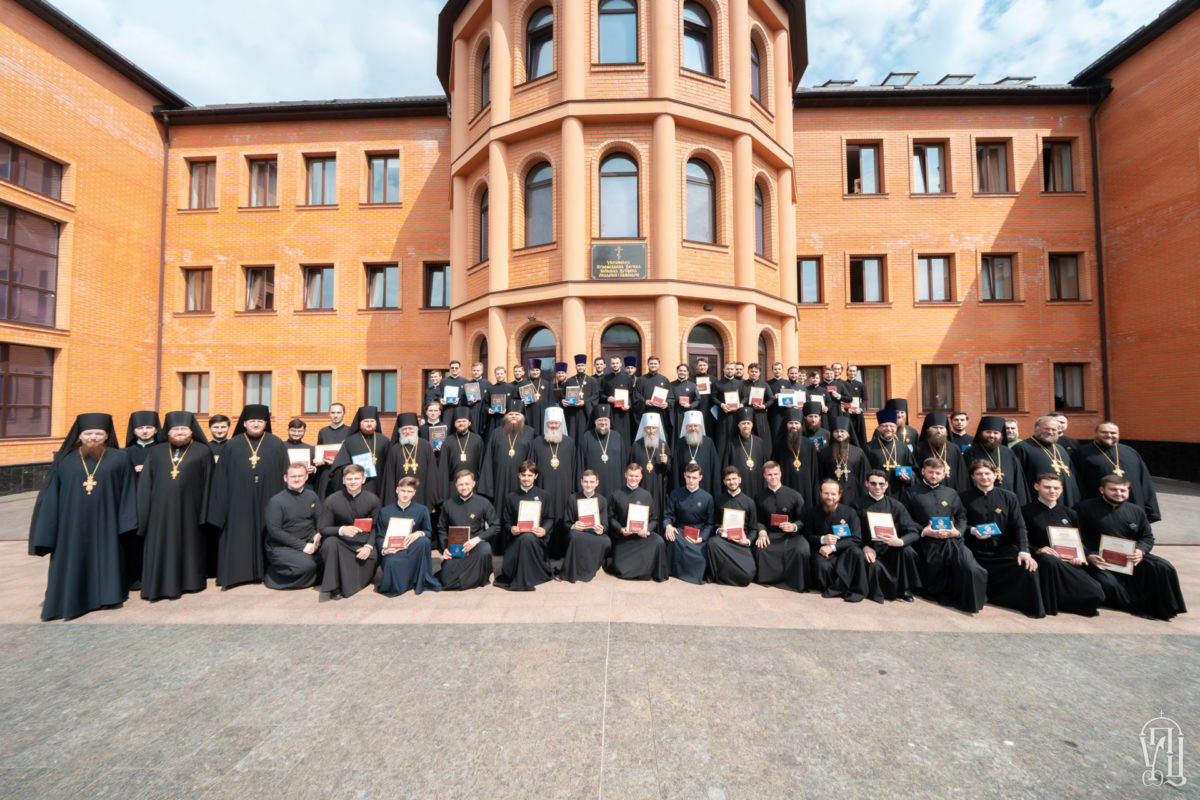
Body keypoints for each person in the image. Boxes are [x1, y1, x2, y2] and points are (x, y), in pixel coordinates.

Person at [29, 413, 136, 621]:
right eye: (88, 434)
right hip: (71, 525)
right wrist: (49, 527)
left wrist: (127, 521)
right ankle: (72, 599)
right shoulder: (65, 461)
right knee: (73, 561)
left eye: (98, 434)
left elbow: (128, 491)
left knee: (107, 558)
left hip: (107, 522)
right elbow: (52, 496)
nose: (93, 437)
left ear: (107, 435)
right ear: (79, 435)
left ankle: (106, 597)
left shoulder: (120, 458)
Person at [1079, 475, 1186, 621]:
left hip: (1130, 558)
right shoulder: (1083, 508)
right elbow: (1074, 537)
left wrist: (1140, 551)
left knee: (1163, 567)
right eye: (1113, 490)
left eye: (1123, 490)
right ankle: (1139, 607)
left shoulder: (1137, 511)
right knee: (1108, 584)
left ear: (1128, 492)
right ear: (1102, 490)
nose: (1119, 493)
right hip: (1099, 560)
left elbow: (1147, 537)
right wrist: (1088, 555)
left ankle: (1167, 608)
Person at [206, 404, 288, 588]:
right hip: (237, 501)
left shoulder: (276, 443)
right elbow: (221, 478)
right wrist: (221, 507)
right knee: (239, 535)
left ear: (266, 423)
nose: (256, 424)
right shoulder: (232, 445)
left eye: (260, 421)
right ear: (244, 423)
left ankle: (267, 572)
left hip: (269, 497)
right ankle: (239, 574)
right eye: (252, 421)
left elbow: (285, 475)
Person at [137, 411, 213, 600]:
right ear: (168, 432)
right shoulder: (156, 451)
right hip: (160, 511)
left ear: (191, 431)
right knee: (161, 546)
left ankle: (190, 583)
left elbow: (210, 483)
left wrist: (205, 512)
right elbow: (146, 483)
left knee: (190, 545)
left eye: (183, 429)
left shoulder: (203, 451)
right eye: (175, 429)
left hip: (191, 510)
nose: (180, 432)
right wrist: (145, 511)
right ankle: (159, 584)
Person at [960, 460, 1044, 618]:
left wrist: (1024, 551)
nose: (984, 477)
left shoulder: (1009, 497)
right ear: (973, 476)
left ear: (995, 475)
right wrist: (972, 530)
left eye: (987, 473)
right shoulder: (963, 497)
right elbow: (960, 523)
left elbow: (1019, 526)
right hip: (975, 550)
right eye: (979, 474)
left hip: (1002, 549)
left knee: (1027, 567)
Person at [905, 459, 987, 613]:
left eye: (938, 473)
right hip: (925, 542)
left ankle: (971, 601)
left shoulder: (952, 493)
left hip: (951, 541)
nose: (934, 476)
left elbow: (962, 517)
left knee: (971, 568)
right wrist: (924, 531)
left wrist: (957, 532)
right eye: (930, 472)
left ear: (944, 475)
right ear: (923, 471)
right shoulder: (911, 492)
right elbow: (905, 518)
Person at [1021, 473, 1106, 617]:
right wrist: (1037, 550)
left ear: (1061, 490)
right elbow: (1019, 540)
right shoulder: (1025, 511)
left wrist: (1084, 556)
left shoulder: (1070, 513)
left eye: (1056, 488)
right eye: (1047, 487)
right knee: (1050, 561)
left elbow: (1079, 542)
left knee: (1096, 592)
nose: (1052, 491)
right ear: (1037, 487)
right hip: (1042, 561)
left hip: (1068, 563)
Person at [852, 470, 922, 602]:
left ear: (887, 485)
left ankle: (905, 589)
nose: (877, 487)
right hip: (870, 549)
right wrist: (864, 547)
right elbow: (854, 532)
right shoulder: (857, 505)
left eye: (881, 484)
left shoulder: (897, 506)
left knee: (908, 551)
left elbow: (913, 531)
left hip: (892, 548)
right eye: (873, 483)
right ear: (866, 484)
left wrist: (900, 541)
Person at [1073, 422, 1161, 522]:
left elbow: (1145, 480)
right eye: (1104, 432)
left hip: (1133, 504)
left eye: (1113, 433)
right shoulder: (1082, 453)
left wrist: (1150, 506)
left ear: (1118, 434)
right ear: (1096, 433)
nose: (1109, 435)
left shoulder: (1130, 452)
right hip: (1098, 507)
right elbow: (1077, 482)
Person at [317, 463, 380, 599]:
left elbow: (376, 527)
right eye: (349, 479)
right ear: (343, 480)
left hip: (364, 544)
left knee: (372, 558)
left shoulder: (373, 500)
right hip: (342, 542)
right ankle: (334, 588)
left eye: (356, 478)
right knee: (330, 543)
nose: (353, 482)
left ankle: (352, 582)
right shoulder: (331, 500)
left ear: (363, 479)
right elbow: (323, 528)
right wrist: (341, 530)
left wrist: (368, 546)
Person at [376, 476, 441, 596]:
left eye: (409, 491)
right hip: (393, 550)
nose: (405, 494)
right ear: (397, 490)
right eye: (403, 491)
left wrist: (419, 533)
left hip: (412, 549)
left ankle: (419, 581)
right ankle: (402, 583)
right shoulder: (384, 512)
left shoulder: (422, 510)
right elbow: (380, 536)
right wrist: (385, 550)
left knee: (424, 541)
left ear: (414, 493)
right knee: (392, 562)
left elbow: (428, 532)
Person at [803, 479, 867, 602]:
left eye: (833, 494)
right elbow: (807, 535)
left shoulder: (850, 512)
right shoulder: (812, 512)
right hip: (821, 551)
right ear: (820, 493)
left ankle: (842, 589)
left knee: (856, 552)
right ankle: (840, 589)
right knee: (822, 567)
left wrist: (833, 547)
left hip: (844, 551)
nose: (829, 497)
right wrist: (822, 539)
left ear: (839, 495)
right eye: (826, 493)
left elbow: (856, 538)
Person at [495, 461, 555, 590]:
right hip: (516, 539)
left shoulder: (544, 495)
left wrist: (544, 530)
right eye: (523, 475)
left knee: (527, 538)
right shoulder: (510, 497)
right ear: (518, 475)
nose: (526, 478)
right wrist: (511, 528)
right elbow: (505, 521)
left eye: (529, 475)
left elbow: (550, 518)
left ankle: (526, 577)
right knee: (525, 538)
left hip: (536, 539)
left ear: (535, 476)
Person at [263, 462, 322, 590]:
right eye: (293, 476)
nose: (296, 479)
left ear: (306, 477)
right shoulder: (276, 501)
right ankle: (274, 577)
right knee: (307, 566)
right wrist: (302, 546)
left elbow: (319, 518)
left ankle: (313, 575)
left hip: (309, 541)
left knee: (330, 556)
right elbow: (275, 531)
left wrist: (318, 534)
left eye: (300, 476)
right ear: (286, 478)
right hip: (282, 546)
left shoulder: (312, 496)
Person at [437, 469, 499, 590]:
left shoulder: (483, 503)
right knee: (445, 580)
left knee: (485, 549)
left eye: (467, 484)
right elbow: (441, 528)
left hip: (476, 545)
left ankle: (471, 577)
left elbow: (495, 526)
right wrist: (445, 548)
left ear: (473, 484)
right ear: (456, 485)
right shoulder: (448, 504)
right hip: (456, 547)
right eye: (460, 484)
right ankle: (468, 577)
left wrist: (478, 539)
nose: (464, 487)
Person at [753, 461, 810, 592]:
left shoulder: (795, 495)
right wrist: (762, 533)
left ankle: (796, 582)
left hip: (792, 535)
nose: (773, 477)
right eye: (770, 475)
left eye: (776, 474)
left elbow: (803, 520)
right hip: (770, 534)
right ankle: (769, 580)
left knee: (802, 549)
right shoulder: (759, 496)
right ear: (764, 476)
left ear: (781, 474)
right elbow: (759, 520)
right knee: (761, 549)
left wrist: (794, 526)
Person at [607, 462, 668, 581]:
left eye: (636, 476)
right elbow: (611, 518)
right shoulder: (616, 494)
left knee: (659, 541)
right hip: (624, 537)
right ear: (625, 475)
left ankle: (656, 573)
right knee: (621, 570)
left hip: (642, 535)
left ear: (641, 477)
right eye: (631, 475)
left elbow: (654, 519)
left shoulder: (647, 495)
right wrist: (620, 529)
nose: (633, 479)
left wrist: (647, 529)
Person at [478, 400, 536, 524]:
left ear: (523, 416)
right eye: (511, 414)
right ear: (505, 416)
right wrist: (488, 485)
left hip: (521, 480)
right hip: (499, 480)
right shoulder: (496, 432)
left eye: (517, 414)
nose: (514, 416)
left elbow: (532, 457)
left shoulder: (530, 432)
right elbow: (488, 459)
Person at [122, 409, 160, 591]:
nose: (145, 431)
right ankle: (134, 577)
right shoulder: (125, 453)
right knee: (134, 540)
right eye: (140, 428)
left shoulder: (163, 450)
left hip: (157, 501)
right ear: (133, 430)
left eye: (149, 427)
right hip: (133, 502)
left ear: (156, 430)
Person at [530, 406, 577, 557]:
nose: (554, 425)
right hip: (543, 489)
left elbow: (575, 467)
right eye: (551, 423)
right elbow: (532, 467)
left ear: (561, 423)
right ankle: (544, 552)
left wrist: (573, 489)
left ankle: (563, 550)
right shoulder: (537, 442)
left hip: (564, 489)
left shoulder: (569, 442)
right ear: (546, 424)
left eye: (557, 423)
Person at [662, 463, 715, 584]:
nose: (691, 480)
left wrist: (702, 538)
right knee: (672, 537)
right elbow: (667, 515)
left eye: (694, 477)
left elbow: (710, 524)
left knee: (700, 559)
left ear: (700, 478)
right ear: (684, 476)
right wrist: (668, 525)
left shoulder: (708, 498)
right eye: (689, 477)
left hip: (699, 533)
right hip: (680, 530)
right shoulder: (675, 494)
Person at [1012, 416, 1080, 505]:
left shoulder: (1060, 449)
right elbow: (1018, 479)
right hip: (1037, 502)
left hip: (1067, 500)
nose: (1050, 432)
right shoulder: (1022, 448)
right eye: (1046, 429)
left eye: (1054, 430)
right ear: (1036, 429)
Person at [707, 466, 759, 586]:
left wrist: (747, 541)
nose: (732, 482)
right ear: (724, 482)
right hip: (723, 541)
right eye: (728, 479)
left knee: (747, 575)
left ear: (739, 480)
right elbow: (714, 523)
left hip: (740, 543)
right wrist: (719, 530)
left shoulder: (749, 502)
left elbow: (754, 528)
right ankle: (719, 576)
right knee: (712, 543)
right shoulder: (719, 499)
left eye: (734, 479)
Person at [381, 412, 441, 510]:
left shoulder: (426, 446)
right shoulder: (394, 449)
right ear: (400, 431)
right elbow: (390, 477)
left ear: (416, 429)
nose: (407, 431)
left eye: (410, 428)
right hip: (400, 497)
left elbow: (432, 473)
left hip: (422, 494)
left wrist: (431, 497)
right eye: (404, 429)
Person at [560, 470, 613, 582]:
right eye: (586, 482)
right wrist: (574, 526)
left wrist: (601, 529)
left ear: (597, 483)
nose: (588, 485)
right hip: (578, 533)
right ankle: (575, 570)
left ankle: (593, 568)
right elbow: (565, 523)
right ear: (581, 482)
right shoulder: (573, 498)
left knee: (606, 541)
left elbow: (605, 525)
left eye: (592, 482)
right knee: (574, 536)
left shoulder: (602, 500)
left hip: (594, 534)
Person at [328, 406, 389, 498]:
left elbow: (389, 465)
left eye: (372, 421)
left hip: (379, 485)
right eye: (366, 421)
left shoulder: (384, 440)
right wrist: (353, 469)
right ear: (360, 423)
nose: (369, 424)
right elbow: (339, 466)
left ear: (376, 422)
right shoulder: (350, 441)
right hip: (357, 486)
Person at [964, 415, 1028, 503]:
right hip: (979, 500)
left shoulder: (1008, 452)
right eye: (988, 432)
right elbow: (967, 480)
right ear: (981, 433)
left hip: (1008, 501)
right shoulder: (970, 453)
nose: (992, 435)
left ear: (1001, 434)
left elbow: (1018, 479)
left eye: (995, 433)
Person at [773, 408, 821, 507]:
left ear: (801, 425)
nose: (793, 426)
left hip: (806, 488)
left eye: (796, 423)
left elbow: (814, 471)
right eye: (790, 423)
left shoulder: (809, 444)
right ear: (786, 425)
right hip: (786, 486)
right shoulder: (779, 445)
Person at [436, 406, 485, 501]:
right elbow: (443, 468)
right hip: (453, 486)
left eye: (464, 421)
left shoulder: (477, 440)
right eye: (458, 421)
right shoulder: (448, 441)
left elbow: (482, 464)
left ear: (469, 423)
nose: (461, 423)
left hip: (473, 485)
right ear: (454, 424)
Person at [864, 409, 915, 499]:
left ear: (896, 427)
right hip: (876, 493)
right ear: (879, 428)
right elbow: (864, 472)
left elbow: (914, 469)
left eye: (892, 426)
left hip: (899, 494)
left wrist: (909, 478)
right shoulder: (869, 447)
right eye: (885, 426)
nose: (889, 429)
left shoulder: (903, 447)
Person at [577, 403, 627, 495]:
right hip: (592, 486)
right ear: (595, 421)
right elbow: (580, 463)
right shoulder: (587, 437)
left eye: (606, 420)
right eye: (600, 420)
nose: (603, 423)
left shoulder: (617, 436)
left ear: (610, 421)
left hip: (615, 483)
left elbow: (623, 463)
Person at [818, 417, 869, 504]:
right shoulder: (824, 452)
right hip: (830, 495)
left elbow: (863, 476)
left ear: (848, 434)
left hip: (853, 495)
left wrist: (864, 497)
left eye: (842, 431)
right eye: (836, 431)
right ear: (832, 433)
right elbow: (820, 476)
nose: (839, 434)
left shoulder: (858, 452)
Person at [631, 412, 672, 520]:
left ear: (658, 429)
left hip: (658, 484)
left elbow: (670, 469)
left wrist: (666, 462)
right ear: (644, 429)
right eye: (648, 428)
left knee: (657, 509)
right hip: (641, 484)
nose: (651, 431)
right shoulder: (636, 445)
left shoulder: (663, 444)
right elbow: (631, 466)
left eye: (654, 428)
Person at [672, 409, 721, 498]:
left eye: (696, 426)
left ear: (700, 427)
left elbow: (715, 468)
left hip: (705, 487)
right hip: (684, 489)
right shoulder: (680, 443)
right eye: (690, 426)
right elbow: (676, 469)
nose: (693, 428)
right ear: (686, 427)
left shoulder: (708, 442)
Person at [914, 411, 968, 491]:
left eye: (941, 428)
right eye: (935, 428)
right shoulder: (919, 448)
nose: (939, 431)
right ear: (928, 429)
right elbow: (916, 473)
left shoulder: (954, 448)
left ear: (946, 430)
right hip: (926, 492)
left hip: (951, 491)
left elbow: (961, 473)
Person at [722, 408, 769, 499]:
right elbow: (726, 467)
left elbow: (765, 465)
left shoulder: (760, 442)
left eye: (748, 423)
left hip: (758, 485)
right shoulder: (731, 443)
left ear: (752, 425)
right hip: (739, 487)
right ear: (738, 425)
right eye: (743, 423)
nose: (746, 426)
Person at [602, 355, 637, 447]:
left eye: (617, 363)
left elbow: (632, 395)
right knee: (611, 437)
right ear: (610, 364)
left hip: (624, 413)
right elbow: (600, 394)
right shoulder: (605, 378)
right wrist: (607, 398)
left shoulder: (627, 378)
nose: (615, 365)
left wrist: (629, 405)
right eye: (613, 363)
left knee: (624, 437)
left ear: (621, 364)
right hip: (610, 412)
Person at [562, 355, 598, 443]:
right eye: (578, 365)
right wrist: (563, 400)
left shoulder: (592, 381)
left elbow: (596, 396)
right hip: (572, 414)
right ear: (576, 366)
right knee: (572, 434)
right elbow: (562, 395)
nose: (580, 367)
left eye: (582, 365)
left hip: (585, 414)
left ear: (585, 366)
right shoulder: (569, 381)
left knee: (583, 436)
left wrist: (585, 402)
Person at [635, 356, 673, 440]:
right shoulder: (640, 380)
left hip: (660, 414)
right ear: (648, 365)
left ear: (659, 365)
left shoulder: (664, 380)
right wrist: (645, 401)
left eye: (655, 364)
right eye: (651, 363)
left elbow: (671, 397)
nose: (653, 365)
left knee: (660, 437)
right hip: (645, 412)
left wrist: (667, 404)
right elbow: (636, 396)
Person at [667, 363, 699, 446]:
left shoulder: (693, 385)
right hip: (676, 415)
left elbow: (698, 400)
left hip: (689, 414)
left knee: (688, 435)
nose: (682, 372)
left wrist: (690, 405)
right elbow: (669, 399)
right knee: (676, 436)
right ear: (677, 371)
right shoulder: (671, 385)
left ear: (688, 372)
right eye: (680, 370)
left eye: (684, 371)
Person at [284, 418, 317, 489]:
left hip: (306, 487)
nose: (296, 434)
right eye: (293, 431)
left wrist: (314, 469)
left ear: (304, 432)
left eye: (300, 431)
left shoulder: (311, 449)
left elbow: (318, 470)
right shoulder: (280, 447)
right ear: (288, 430)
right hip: (285, 486)